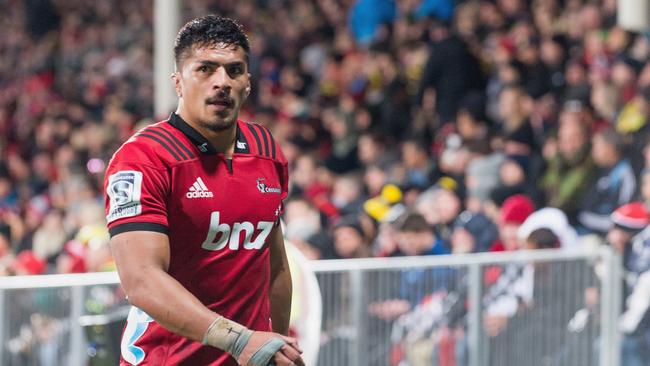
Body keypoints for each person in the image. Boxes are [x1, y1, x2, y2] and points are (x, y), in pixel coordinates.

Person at [103, 16, 304, 366]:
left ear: (248, 83)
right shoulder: (141, 158)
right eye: (206, 69)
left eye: (234, 70)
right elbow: (141, 280)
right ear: (178, 82)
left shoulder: (267, 150)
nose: (222, 82)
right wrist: (241, 341)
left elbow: (275, 267)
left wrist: (271, 347)